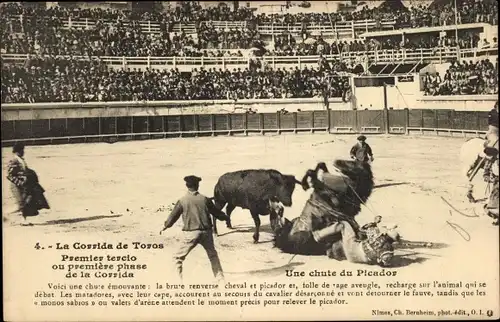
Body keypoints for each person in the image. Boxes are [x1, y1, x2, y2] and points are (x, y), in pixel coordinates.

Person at [162, 175, 230, 283]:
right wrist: (225, 217)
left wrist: (166, 226)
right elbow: (216, 213)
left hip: (191, 233)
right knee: (213, 255)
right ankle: (220, 279)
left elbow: (173, 217)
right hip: (206, 232)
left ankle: (177, 283)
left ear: (186, 185)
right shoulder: (205, 199)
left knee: (177, 258)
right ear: (197, 185)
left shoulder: (182, 200)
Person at [6, 142, 49, 225]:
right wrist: (20, 183)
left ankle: (21, 219)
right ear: (17, 151)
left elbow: (25, 171)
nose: (23, 152)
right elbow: (9, 175)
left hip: (24, 185)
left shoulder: (21, 160)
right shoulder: (14, 160)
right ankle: (8, 214)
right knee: (21, 204)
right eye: (22, 150)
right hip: (16, 186)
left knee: (25, 203)